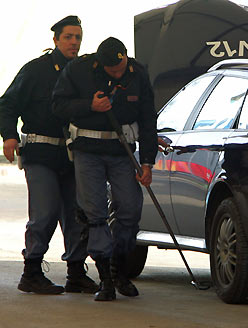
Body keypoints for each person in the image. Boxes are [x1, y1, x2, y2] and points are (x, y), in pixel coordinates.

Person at [52, 37, 158, 301]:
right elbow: (57, 106)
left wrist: (147, 162)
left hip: (122, 152)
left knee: (130, 209)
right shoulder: (78, 69)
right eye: (113, 70)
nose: (119, 72)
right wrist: (90, 105)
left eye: (121, 66)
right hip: (88, 152)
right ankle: (106, 280)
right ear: (101, 63)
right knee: (95, 213)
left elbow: (147, 117)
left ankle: (120, 267)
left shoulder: (138, 72)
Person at [0, 16, 98, 294]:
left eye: (78, 37)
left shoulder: (84, 72)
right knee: (45, 212)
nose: (74, 42)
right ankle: (31, 271)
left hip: (73, 153)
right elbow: (7, 104)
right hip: (40, 152)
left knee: (76, 213)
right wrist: (8, 135)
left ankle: (76, 273)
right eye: (68, 37)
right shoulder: (36, 70)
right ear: (55, 39)